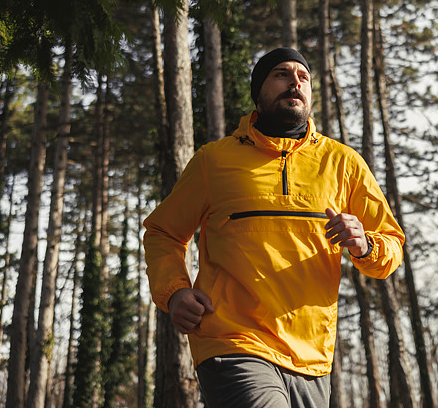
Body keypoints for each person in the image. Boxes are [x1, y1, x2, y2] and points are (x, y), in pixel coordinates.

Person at [143, 47, 405, 407]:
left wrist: (365, 244)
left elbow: (390, 246)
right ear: (259, 91)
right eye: (281, 74)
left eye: (303, 77)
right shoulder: (214, 160)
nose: (294, 83)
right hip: (232, 339)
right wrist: (175, 291)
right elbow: (164, 232)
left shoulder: (343, 163)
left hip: (312, 355)